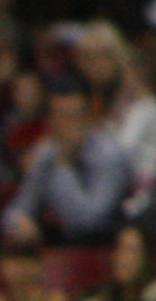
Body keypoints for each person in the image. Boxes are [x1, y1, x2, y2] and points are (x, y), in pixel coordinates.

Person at [7, 76, 133, 246]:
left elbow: (89, 223)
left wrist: (63, 165)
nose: (66, 124)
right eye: (59, 116)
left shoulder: (110, 156)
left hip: (104, 247)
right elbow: (17, 209)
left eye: (73, 116)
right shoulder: (47, 154)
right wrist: (18, 222)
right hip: (60, 246)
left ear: (89, 119)